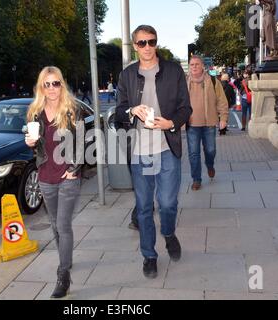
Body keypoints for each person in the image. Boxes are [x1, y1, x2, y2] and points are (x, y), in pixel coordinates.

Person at [115, 25, 192, 278]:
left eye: (151, 41)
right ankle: (149, 255)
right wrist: (130, 111)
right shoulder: (127, 75)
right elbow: (118, 112)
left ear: (156, 43)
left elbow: (185, 108)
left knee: (168, 204)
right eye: (141, 43)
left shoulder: (173, 71)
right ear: (135, 46)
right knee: (144, 207)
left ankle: (168, 233)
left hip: (167, 148)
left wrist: (171, 123)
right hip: (139, 153)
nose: (147, 47)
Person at [25, 66, 84, 298]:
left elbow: (82, 143)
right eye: (46, 84)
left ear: (62, 84)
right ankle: (66, 259)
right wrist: (30, 143)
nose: (51, 88)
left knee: (63, 225)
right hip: (46, 176)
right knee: (54, 224)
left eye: (55, 83)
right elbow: (35, 145)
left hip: (68, 176)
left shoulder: (72, 110)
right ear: (41, 87)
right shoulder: (34, 112)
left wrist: (73, 169)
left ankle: (63, 274)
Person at [187, 56, 229, 191]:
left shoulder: (212, 81)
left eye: (197, 64)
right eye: (192, 64)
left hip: (209, 123)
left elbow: (222, 101)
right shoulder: (184, 82)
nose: (194, 67)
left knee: (210, 150)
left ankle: (210, 165)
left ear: (202, 66)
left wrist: (223, 118)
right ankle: (196, 179)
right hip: (191, 124)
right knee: (193, 154)